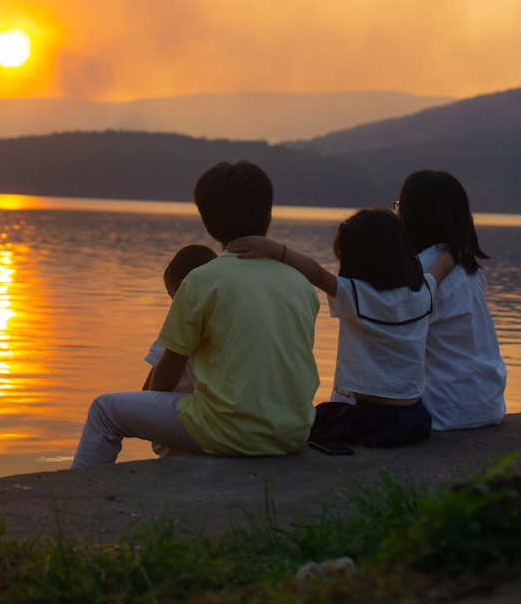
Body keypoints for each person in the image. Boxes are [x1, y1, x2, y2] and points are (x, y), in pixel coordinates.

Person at [71, 160, 321, 468]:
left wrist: (148, 414)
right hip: (292, 433)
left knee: (105, 410)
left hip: (228, 432)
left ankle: (73, 503)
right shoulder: (300, 283)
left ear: (207, 223)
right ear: (268, 218)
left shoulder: (202, 280)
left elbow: (168, 371)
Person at [228, 208, 453, 449]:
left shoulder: (357, 295)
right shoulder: (423, 293)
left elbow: (315, 273)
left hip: (370, 421)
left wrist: (275, 250)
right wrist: (458, 245)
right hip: (416, 419)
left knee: (298, 423)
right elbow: (444, 264)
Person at [397, 169, 507, 430]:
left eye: (400, 207)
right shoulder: (470, 270)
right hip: (487, 404)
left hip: (445, 410)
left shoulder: (419, 270)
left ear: (414, 215)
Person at [141, 244, 217, 456]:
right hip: (219, 423)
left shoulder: (180, 324)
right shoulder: (225, 324)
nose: (173, 304)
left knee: (106, 408)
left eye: (172, 295)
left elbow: (149, 392)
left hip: (181, 429)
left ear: (184, 287)